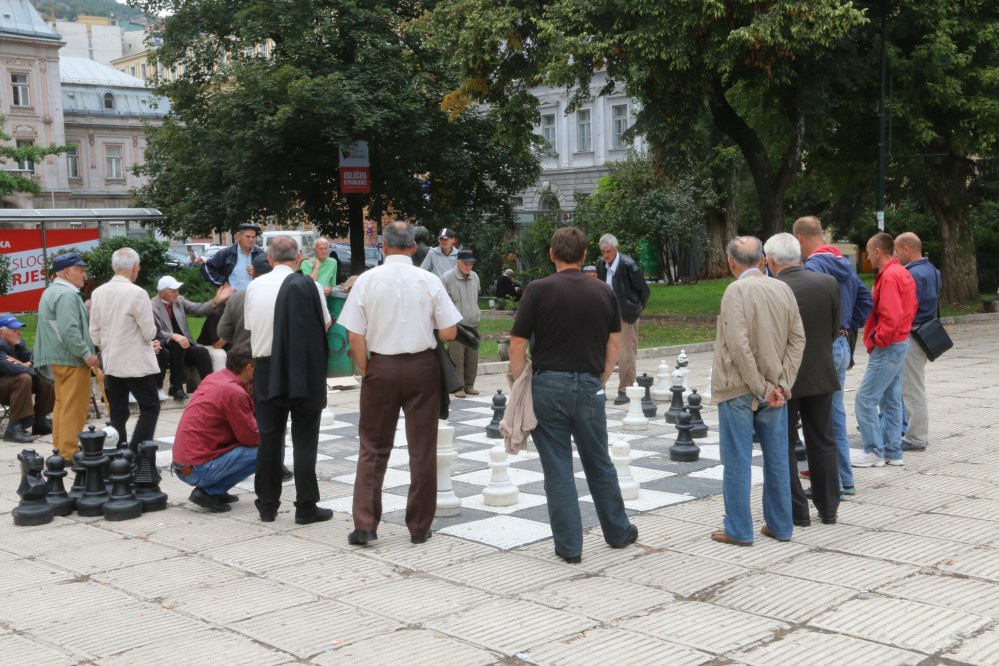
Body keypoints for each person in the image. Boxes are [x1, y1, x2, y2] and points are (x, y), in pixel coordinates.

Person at [508, 226, 637, 563]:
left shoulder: (536, 291)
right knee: (599, 462)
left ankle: (569, 547)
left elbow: (518, 344)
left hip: (548, 385)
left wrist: (520, 380)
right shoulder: (603, 292)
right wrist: (603, 377)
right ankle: (618, 532)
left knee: (558, 468)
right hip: (589, 384)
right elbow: (614, 343)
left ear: (552, 254)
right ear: (583, 257)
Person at [339, 221, 462, 546]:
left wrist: (367, 370)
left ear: (383, 247)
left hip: (380, 365)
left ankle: (365, 524)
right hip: (422, 367)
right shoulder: (429, 280)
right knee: (422, 450)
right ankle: (419, 527)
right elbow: (450, 332)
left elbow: (354, 334)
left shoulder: (367, 280)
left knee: (373, 448)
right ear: (412, 248)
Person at [711, 236, 805, 546]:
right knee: (778, 458)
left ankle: (739, 529)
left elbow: (738, 345)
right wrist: (782, 384)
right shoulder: (783, 288)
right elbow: (797, 341)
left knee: (737, 458)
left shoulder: (735, 290)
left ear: (731, 262)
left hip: (740, 388)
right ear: (762, 260)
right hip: (775, 388)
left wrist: (762, 387)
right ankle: (781, 526)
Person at [245, 235, 332, 524]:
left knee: (269, 438)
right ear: (298, 259)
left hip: (266, 367)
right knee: (305, 438)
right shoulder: (312, 286)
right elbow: (326, 322)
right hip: (301, 367)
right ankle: (306, 505)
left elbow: (249, 326)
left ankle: (267, 504)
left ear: (269, 260)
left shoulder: (254, 286)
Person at [765, 233, 842, 526]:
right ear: (799, 256)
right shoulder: (827, 283)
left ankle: (797, 511)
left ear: (771, 260)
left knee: (782, 444)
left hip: (785, 377)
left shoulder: (772, 288)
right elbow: (834, 328)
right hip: (821, 372)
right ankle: (829, 508)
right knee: (822, 441)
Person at [793, 215, 872, 497]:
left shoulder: (813, 265)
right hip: (840, 343)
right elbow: (866, 300)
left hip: (824, 345)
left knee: (822, 419)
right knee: (834, 413)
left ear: (799, 239)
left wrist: (831, 330)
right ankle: (845, 479)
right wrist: (847, 328)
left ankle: (833, 484)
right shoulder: (842, 262)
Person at [853, 232, 918, 468]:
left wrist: (878, 339)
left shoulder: (889, 276)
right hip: (900, 342)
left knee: (865, 399)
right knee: (891, 399)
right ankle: (892, 450)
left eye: (869, 252)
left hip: (889, 345)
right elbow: (909, 308)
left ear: (877, 251)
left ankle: (874, 451)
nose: (868, 257)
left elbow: (891, 315)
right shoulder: (901, 272)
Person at [88, 248, 162, 452]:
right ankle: (138, 452)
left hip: (111, 360)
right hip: (135, 361)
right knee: (150, 407)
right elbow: (149, 331)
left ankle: (118, 453)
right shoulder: (137, 293)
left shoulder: (98, 292)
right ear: (135, 267)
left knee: (118, 413)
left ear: (114, 267)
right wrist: (151, 340)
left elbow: (94, 333)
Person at [171, 343, 259, 513]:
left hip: (183, 464)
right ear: (249, 368)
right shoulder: (235, 392)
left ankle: (217, 489)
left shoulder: (215, 378)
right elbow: (250, 437)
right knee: (265, 451)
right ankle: (210, 491)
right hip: (198, 468)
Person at [33, 252, 101, 459]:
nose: (84, 274)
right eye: (80, 270)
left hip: (58, 358)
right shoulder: (67, 294)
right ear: (65, 272)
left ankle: (60, 450)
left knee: (62, 406)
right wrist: (87, 354)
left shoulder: (51, 291)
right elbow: (68, 331)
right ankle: (69, 453)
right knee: (75, 408)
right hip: (71, 359)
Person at [895, 232, 942, 452]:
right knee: (911, 386)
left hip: (912, 334)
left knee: (913, 389)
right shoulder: (932, 269)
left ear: (907, 248)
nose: (895, 255)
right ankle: (909, 430)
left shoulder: (911, 274)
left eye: (896, 250)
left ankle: (916, 437)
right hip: (925, 333)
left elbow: (906, 308)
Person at [151, 276, 232, 400]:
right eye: (174, 291)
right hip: (165, 345)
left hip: (183, 343)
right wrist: (173, 336)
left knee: (202, 352)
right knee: (177, 345)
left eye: (177, 290)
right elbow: (155, 330)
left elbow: (198, 309)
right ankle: (176, 387)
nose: (178, 293)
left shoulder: (180, 300)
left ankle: (209, 388)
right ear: (162, 294)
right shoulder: (153, 305)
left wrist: (215, 301)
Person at [595, 234, 650, 405]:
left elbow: (644, 291)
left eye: (609, 251)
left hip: (626, 313)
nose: (606, 255)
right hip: (606, 313)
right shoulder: (600, 264)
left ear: (616, 249)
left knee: (626, 352)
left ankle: (625, 389)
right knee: (600, 350)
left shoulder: (629, 265)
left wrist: (635, 311)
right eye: (603, 252)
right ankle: (599, 387)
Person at [0, 314, 54, 442]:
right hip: (4, 386)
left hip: (11, 386)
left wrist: (27, 364)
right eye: (15, 330)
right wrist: (29, 368)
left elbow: (35, 361)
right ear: (1, 333)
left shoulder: (18, 345)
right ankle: (13, 428)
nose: (20, 332)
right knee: (24, 378)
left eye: (20, 329)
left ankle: (40, 421)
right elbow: (9, 368)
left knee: (44, 377)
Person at [442, 248, 481, 398]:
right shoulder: (447, 278)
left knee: (472, 356)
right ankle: (458, 387)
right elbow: (442, 303)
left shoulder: (475, 277)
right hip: (456, 325)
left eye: (471, 264)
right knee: (456, 357)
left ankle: (469, 385)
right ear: (458, 262)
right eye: (466, 263)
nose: (469, 267)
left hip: (473, 322)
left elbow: (476, 296)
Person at [216, 253, 273, 349]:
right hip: (275, 355)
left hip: (244, 353)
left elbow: (223, 332)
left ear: (253, 273)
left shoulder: (237, 297)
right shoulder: (285, 295)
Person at [201, 223, 265, 293]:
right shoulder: (226, 253)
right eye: (248, 236)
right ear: (238, 236)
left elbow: (271, 274)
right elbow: (206, 267)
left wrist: (257, 272)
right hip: (233, 299)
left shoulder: (261, 254)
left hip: (254, 297)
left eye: (253, 237)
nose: (251, 240)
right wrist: (222, 283)